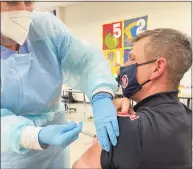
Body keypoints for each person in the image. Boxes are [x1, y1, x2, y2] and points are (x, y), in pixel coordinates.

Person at [0, 1, 124, 168]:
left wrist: (101, 94)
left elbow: (87, 61)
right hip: (11, 152)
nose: (23, 8)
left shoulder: (45, 28)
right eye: (12, 1)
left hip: (56, 145)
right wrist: (33, 135)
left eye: (28, 1)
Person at [72, 28, 192, 169]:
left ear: (157, 68)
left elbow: (80, 166)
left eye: (132, 58)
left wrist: (98, 140)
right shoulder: (186, 117)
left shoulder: (124, 128)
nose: (124, 66)